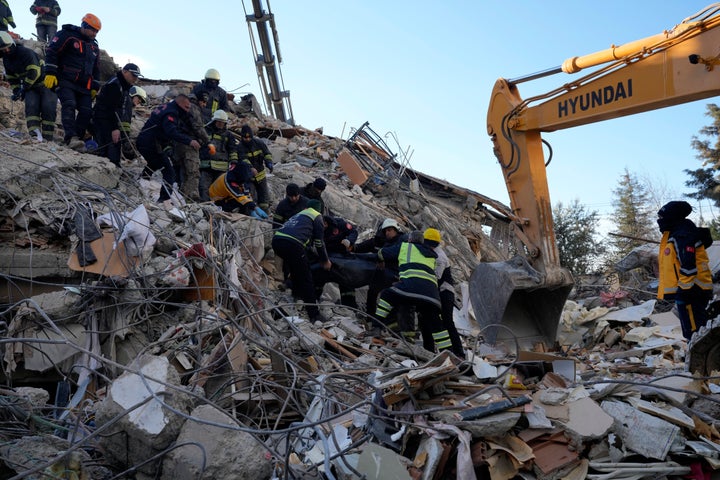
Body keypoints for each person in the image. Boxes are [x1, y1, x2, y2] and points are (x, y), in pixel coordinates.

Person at [373, 230, 454, 354]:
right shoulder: (432, 255)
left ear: (409, 240)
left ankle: (376, 327)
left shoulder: (405, 246)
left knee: (386, 294)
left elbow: (383, 253)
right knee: (437, 324)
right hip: (432, 296)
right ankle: (448, 352)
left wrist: (377, 256)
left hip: (411, 287)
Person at [656, 200, 713, 341]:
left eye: (662, 217)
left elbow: (688, 265)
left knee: (695, 330)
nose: (659, 220)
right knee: (692, 330)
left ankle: (701, 360)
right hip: (689, 289)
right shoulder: (674, 234)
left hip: (693, 290)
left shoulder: (683, 235)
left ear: (673, 217)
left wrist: (684, 290)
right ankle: (697, 357)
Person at [44, 13, 101, 150]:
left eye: (97, 31)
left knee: (86, 112)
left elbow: (96, 68)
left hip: (85, 86)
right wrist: (50, 73)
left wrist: (95, 86)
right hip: (65, 80)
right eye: (92, 30)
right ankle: (71, 138)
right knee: (69, 105)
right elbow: (52, 51)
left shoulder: (94, 47)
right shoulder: (67, 35)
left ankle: (78, 140)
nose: (94, 34)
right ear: (84, 26)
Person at [271, 199, 331, 322]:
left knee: (296, 268)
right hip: (292, 244)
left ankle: (295, 295)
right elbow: (319, 242)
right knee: (306, 277)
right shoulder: (317, 216)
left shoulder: (299, 215)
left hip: (277, 241)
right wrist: (325, 260)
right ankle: (314, 315)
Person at [136, 94, 200, 203]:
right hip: (150, 144)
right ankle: (164, 199)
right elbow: (171, 131)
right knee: (169, 172)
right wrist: (189, 141)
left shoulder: (165, 107)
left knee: (155, 163)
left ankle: (142, 181)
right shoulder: (171, 113)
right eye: (186, 107)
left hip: (145, 141)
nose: (188, 111)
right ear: (179, 104)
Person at [0, 31, 57, 142]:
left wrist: (23, 88)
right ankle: (35, 137)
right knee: (31, 109)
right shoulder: (7, 60)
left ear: (12, 44)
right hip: (31, 87)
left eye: (7, 47)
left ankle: (48, 139)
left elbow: (34, 72)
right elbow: (12, 78)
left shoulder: (25, 53)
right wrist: (16, 90)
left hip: (46, 84)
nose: (6, 51)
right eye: (3, 49)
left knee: (48, 109)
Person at [423, 228, 464, 357]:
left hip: (445, 292)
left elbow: (436, 278)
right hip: (439, 292)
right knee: (428, 320)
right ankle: (429, 351)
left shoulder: (440, 257)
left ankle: (458, 352)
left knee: (447, 322)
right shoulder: (433, 253)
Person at [354, 218, 407, 318]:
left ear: (396, 230)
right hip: (387, 273)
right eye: (385, 231)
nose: (387, 233)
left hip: (397, 275)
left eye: (389, 230)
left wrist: (377, 258)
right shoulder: (388, 242)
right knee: (373, 291)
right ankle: (371, 317)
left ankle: (382, 321)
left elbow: (386, 254)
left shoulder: (402, 241)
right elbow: (364, 248)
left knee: (389, 297)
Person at [91, 63, 142, 167]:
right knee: (109, 151)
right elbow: (110, 108)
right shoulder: (115, 85)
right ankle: (108, 176)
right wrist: (114, 128)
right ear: (124, 71)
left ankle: (111, 174)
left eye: (136, 76)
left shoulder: (123, 86)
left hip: (107, 121)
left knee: (112, 151)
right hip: (104, 122)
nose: (135, 79)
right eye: (133, 75)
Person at [174, 93, 210, 200]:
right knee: (193, 172)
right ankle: (191, 198)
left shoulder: (179, 108)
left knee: (184, 171)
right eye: (203, 102)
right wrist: (207, 141)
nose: (204, 105)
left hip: (178, 143)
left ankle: (183, 197)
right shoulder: (193, 108)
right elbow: (197, 127)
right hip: (189, 144)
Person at [199, 109, 238, 201]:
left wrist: (234, 162)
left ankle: (219, 208)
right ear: (214, 121)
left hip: (221, 168)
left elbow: (233, 149)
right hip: (206, 165)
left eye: (223, 122)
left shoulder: (228, 135)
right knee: (203, 187)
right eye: (219, 122)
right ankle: (206, 207)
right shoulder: (204, 131)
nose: (220, 124)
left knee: (220, 190)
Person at [323, 215, 359, 307]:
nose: (324, 225)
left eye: (325, 224)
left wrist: (349, 241)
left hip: (342, 254)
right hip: (327, 255)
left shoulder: (340, 223)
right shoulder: (318, 226)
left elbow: (353, 232)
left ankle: (349, 306)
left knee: (346, 278)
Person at [237, 124, 273, 213]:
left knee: (264, 197)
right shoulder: (240, 147)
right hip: (249, 178)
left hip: (261, 176)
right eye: (245, 138)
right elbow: (243, 159)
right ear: (242, 137)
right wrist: (251, 168)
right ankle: (252, 213)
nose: (248, 140)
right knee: (251, 196)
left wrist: (269, 162)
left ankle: (265, 212)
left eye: (249, 137)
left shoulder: (259, 143)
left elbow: (267, 153)